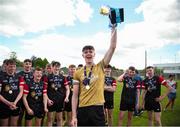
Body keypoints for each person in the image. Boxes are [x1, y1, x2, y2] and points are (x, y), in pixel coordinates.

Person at [71, 26, 117, 126]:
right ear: (82, 55)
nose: (88, 53)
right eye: (86, 52)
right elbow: (74, 96)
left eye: (90, 51)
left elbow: (112, 48)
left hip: (98, 108)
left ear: (94, 54)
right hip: (83, 109)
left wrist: (114, 28)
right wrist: (74, 116)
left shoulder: (100, 66)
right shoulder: (77, 72)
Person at [0, 59, 24, 126]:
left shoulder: (19, 77)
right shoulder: (1, 77)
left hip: (16, 104)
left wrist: (14, 103)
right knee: (4, 124)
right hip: (4, 105)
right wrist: (8, 103)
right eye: (10, 66)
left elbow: (21, 91)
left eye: (14, 66)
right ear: (6, 66)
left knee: (13, 124)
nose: (12, 68)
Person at [46, 61, 70, 126]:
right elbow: (44, 91)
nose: (57, 68)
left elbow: (67, 89)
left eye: (58, 67)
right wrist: (47, 100)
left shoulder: (63, 77)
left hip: (60, 100)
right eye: (55, 67)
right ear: (52, 67)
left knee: (59, 119)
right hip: (50, 101)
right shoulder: (48, 77)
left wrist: (67, 97)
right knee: (49, 119)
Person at [17, 59, 34, 126]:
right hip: (20, 98)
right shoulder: (18, 74)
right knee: (19, 117)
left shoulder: (33, 74)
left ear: (31, 65)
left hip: (30, 98)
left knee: (29, 117)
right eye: (26, 64)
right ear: (23, 64)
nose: (28, 65)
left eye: (29, 64)